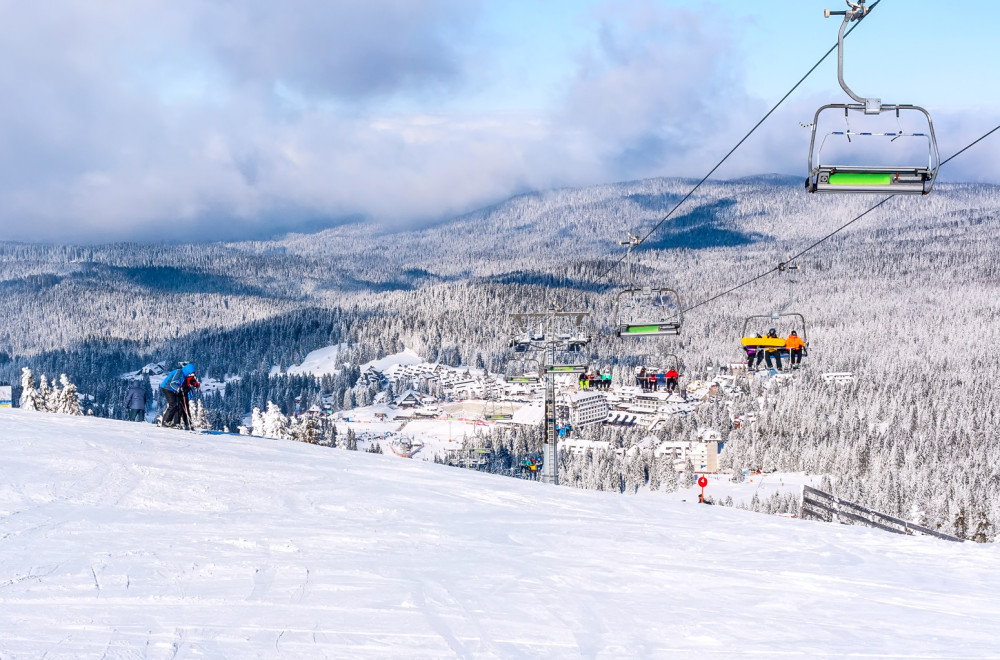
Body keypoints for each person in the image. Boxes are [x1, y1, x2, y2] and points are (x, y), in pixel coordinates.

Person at [160, 362, 197, 428]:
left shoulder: (184, 374)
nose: (190, 375)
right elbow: (172, 383)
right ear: (187, 371)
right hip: (167, 388)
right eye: (190, 374)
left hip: (173, 390)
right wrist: (178, 389)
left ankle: (173, 422)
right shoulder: (179, 372)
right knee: (173, 404)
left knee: (177, 405)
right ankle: (165, 422)